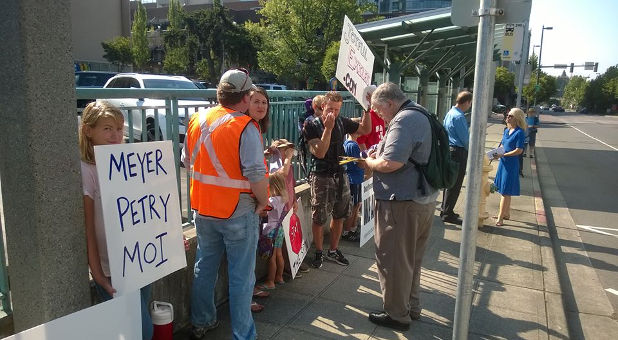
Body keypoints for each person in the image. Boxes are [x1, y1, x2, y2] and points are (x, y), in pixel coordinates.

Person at [183, 69, 269, 340]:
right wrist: (264, 201)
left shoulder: (197, 118)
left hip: (202, 208)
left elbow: (187, 161)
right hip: (237, 211)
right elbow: (256, 174)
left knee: (204, 267)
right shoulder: (245, 126)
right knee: (241, 277)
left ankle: (202, 321)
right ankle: (244, 334)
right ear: (245, 97)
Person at [363, 82, 438, 331]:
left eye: (378, 110)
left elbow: (392, 163)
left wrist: (370, 161)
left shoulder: (403, 120)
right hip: (422, 199)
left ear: (390, 103)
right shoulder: (420, 113)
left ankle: (397, 314)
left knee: (393, 259)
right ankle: (411, 306)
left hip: (402, 203)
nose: (378, 115)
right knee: (411, 259)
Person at [79, 102, 153, 340]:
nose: (116, 135)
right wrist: (97, 273)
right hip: (112, 269)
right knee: (136, 330)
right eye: (107, 128)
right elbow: (88, 228)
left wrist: (169, 237)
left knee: (142, 326)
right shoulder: (87, 170)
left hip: (139, 261)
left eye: (120, 128)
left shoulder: (130, 161)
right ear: (88, 130)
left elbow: (146, 211)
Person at [302, 91, 371, 268]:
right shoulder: (311, 125)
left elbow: (365, 130)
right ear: (323, 106)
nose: (334, 112)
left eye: (337, 109)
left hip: (341, 174)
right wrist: (328, 128)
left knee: (340, 215)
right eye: (331, 108)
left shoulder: (341, 121)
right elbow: (320, 152)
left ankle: (333, 250)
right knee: (319, 218)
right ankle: (318, 252)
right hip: (322, 175)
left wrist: (367, 109)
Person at [440, 91, 472, 225]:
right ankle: (448, 213)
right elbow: (465, 139)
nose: (470, 106)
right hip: (458, 152)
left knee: (449, 182)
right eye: (470, 103)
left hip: (449, 150)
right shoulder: (459, 117)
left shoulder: (450, 113)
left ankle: (445, 209)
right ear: (466, 102)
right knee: (456, 183)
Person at [493, 108, 527, 226]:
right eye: (507, 115)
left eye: (510, 116)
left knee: (505, 192)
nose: (507, 117)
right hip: (503, 163)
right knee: (504, 189)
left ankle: (500, 217)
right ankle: (506, 213)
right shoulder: (506, 130)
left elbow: (519, 150)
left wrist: (503, 154)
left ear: (517, 118)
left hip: (511, 165)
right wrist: (496, 153)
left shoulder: (520, 132)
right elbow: (503, 144)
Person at [256, 172, 288, 290]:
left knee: (272, 257)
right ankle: (279, 277)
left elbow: (264, 207)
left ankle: (270, 281)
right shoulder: (283, 198)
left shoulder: (273, 200)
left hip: (271, 230)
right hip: (279, 229)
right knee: (279, 254)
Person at [341, 131, 365, 241]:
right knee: (354, 207)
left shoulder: (347, 143)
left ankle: (352, 229)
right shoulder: (352, 145)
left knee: (356, 205)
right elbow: (358, 163)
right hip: (354, 179)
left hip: (354, 178)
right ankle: (347, 231)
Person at [356, 85, 385, 151]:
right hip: (371, 155)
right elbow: (360, 141)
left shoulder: (381, 115)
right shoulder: (369, 117)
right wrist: (366, 157)